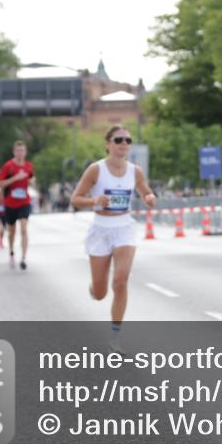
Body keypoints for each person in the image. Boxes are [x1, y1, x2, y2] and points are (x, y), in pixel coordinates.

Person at [71, 126, 156, 353]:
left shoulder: (135, 171)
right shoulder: (95, 170)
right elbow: (76, 198)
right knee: (100, 294)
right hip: (100, 229)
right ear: (108, 143)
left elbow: (145, 191)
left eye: (128, 140)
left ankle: (115, 338)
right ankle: (95, 287)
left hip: (124, 227)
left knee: (120, 281)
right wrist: (95, 201)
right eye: (119, 139)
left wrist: (149, 197)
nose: (124, 143)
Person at [0, 140, 35, 269]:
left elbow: (31, 180)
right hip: (10, 203)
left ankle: (23, 258)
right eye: (18, 151)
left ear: (25, 152)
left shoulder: (29, 166)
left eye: (22, 151)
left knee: (24, 228)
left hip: (24, 201)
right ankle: (12, 252)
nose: (20, 153)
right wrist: (15, 178)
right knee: (12, 231)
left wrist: (32, 181)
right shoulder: (8, 166)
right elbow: (0, 183)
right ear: (14, 152)